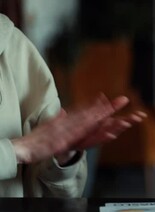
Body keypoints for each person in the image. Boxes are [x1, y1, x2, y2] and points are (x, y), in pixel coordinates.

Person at [0, 13, 146, 197]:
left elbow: (63, 197)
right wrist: (17, 150)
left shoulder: (14, 46)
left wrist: (63, 157)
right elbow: (28, 147)